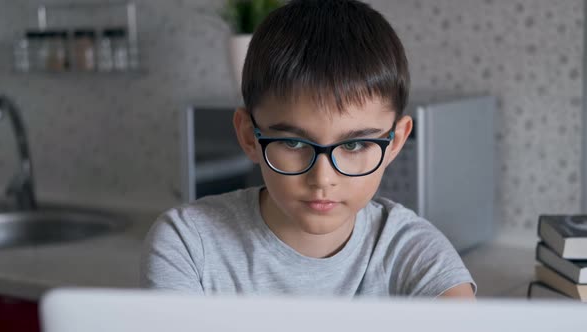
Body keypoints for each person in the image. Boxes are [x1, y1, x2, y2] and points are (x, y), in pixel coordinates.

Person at [141, 0, 476, 298]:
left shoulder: (416, 253)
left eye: (356, 144)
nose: (323, 179)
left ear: (395, 143)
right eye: (293, 142)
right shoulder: (187, 244)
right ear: (248, 136)